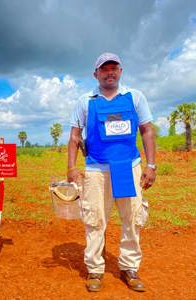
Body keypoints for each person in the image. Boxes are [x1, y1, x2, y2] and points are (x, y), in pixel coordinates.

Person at [67, 52, 156, 292]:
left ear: (120, 71)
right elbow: (75, 136)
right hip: (96, 170)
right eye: (104, 69)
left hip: (129, 167)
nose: (110, 72)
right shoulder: (85, 101)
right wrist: (72, 167)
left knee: (133, 218)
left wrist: (151, 165)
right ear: (96, 74)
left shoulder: (134, 97)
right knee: (95, 219)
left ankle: (129, 267)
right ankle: (95, 269)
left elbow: (147, 130)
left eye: (113, 68)